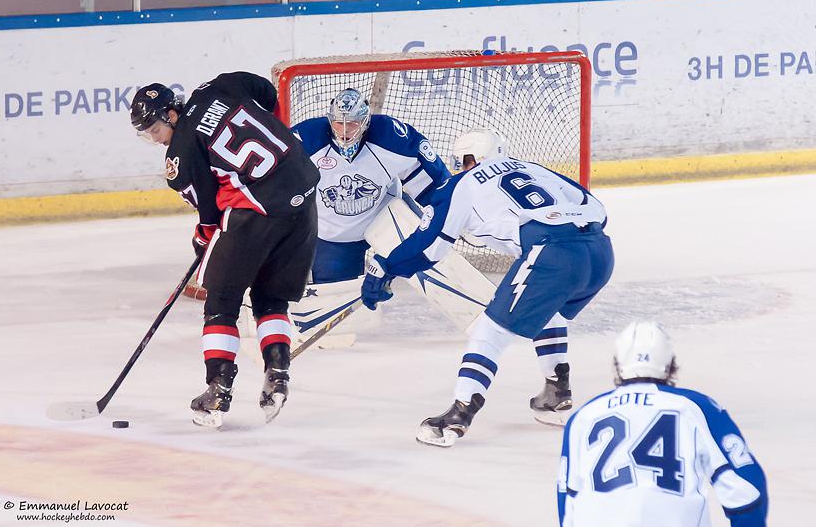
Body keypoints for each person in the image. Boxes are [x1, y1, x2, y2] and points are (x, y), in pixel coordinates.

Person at [360, 128, 614, 446]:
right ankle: (557, 393)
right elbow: (596, 208)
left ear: (473, 159)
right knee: (547, 307)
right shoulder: (531, 168)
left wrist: (387, 265)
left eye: (463, 161)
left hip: (552, 255)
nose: (461, 167)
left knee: (489, 333)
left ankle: (459, 415)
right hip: (600, 251)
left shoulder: (461, 185)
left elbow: (429, 248)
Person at [129, 72, 320, 427]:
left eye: (155, 129)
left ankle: (217, 390)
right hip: (305, 198)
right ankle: (277, 376)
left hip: (256, 212)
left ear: (171, 114)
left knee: (221, 301)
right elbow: (265, 89)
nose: (155, 140)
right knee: (270, 299)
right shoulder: (219, 86)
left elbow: (210, 213)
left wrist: (202, 240)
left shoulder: (178, 156)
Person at [558, 321, 768, 527]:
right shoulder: (696, 408)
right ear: (670, 365)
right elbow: (746, 490)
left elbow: (568, 499)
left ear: (618, 365)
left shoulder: (583, 416)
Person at [292, 88, 451, 284]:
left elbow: (433, 181)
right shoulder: (306, 140)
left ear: (365, 122)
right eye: (338, 124)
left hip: (387, 218)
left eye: (351, 125)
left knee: (429, 256)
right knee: (340, 297)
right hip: (335, 233)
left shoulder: (391, 137)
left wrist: (449, 212)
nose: (344, 132)